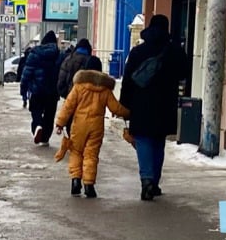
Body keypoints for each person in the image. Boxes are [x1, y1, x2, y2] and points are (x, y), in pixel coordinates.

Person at [119, 14, 188, 201]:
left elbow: (127, 80)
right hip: (166, 105)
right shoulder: (175, 51)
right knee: (158, 142)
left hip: (141, 105)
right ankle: (154, 182)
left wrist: (124, 104)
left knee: (143, 141)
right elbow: (184, 73)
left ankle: (147, 180)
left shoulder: (138, 51)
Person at [54, 56, 129, 198]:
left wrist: (60, 123)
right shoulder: (105, 89)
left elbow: (68, 106)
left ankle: (76, 181)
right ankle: (89, 185)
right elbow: (115, 108)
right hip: (96, 127)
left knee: (76, 152)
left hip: (79, 126)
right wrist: (128, 113)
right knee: (91, 155)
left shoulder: (79, 87)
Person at [19, 31, 61, 146]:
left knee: (36, 111)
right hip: (52, 92)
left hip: (37, 90)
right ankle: (45, 138)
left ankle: (37, 126)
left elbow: (26, 74)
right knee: (49, 115)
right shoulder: (59, 55)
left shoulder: (34, 53)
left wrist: (23, 91)